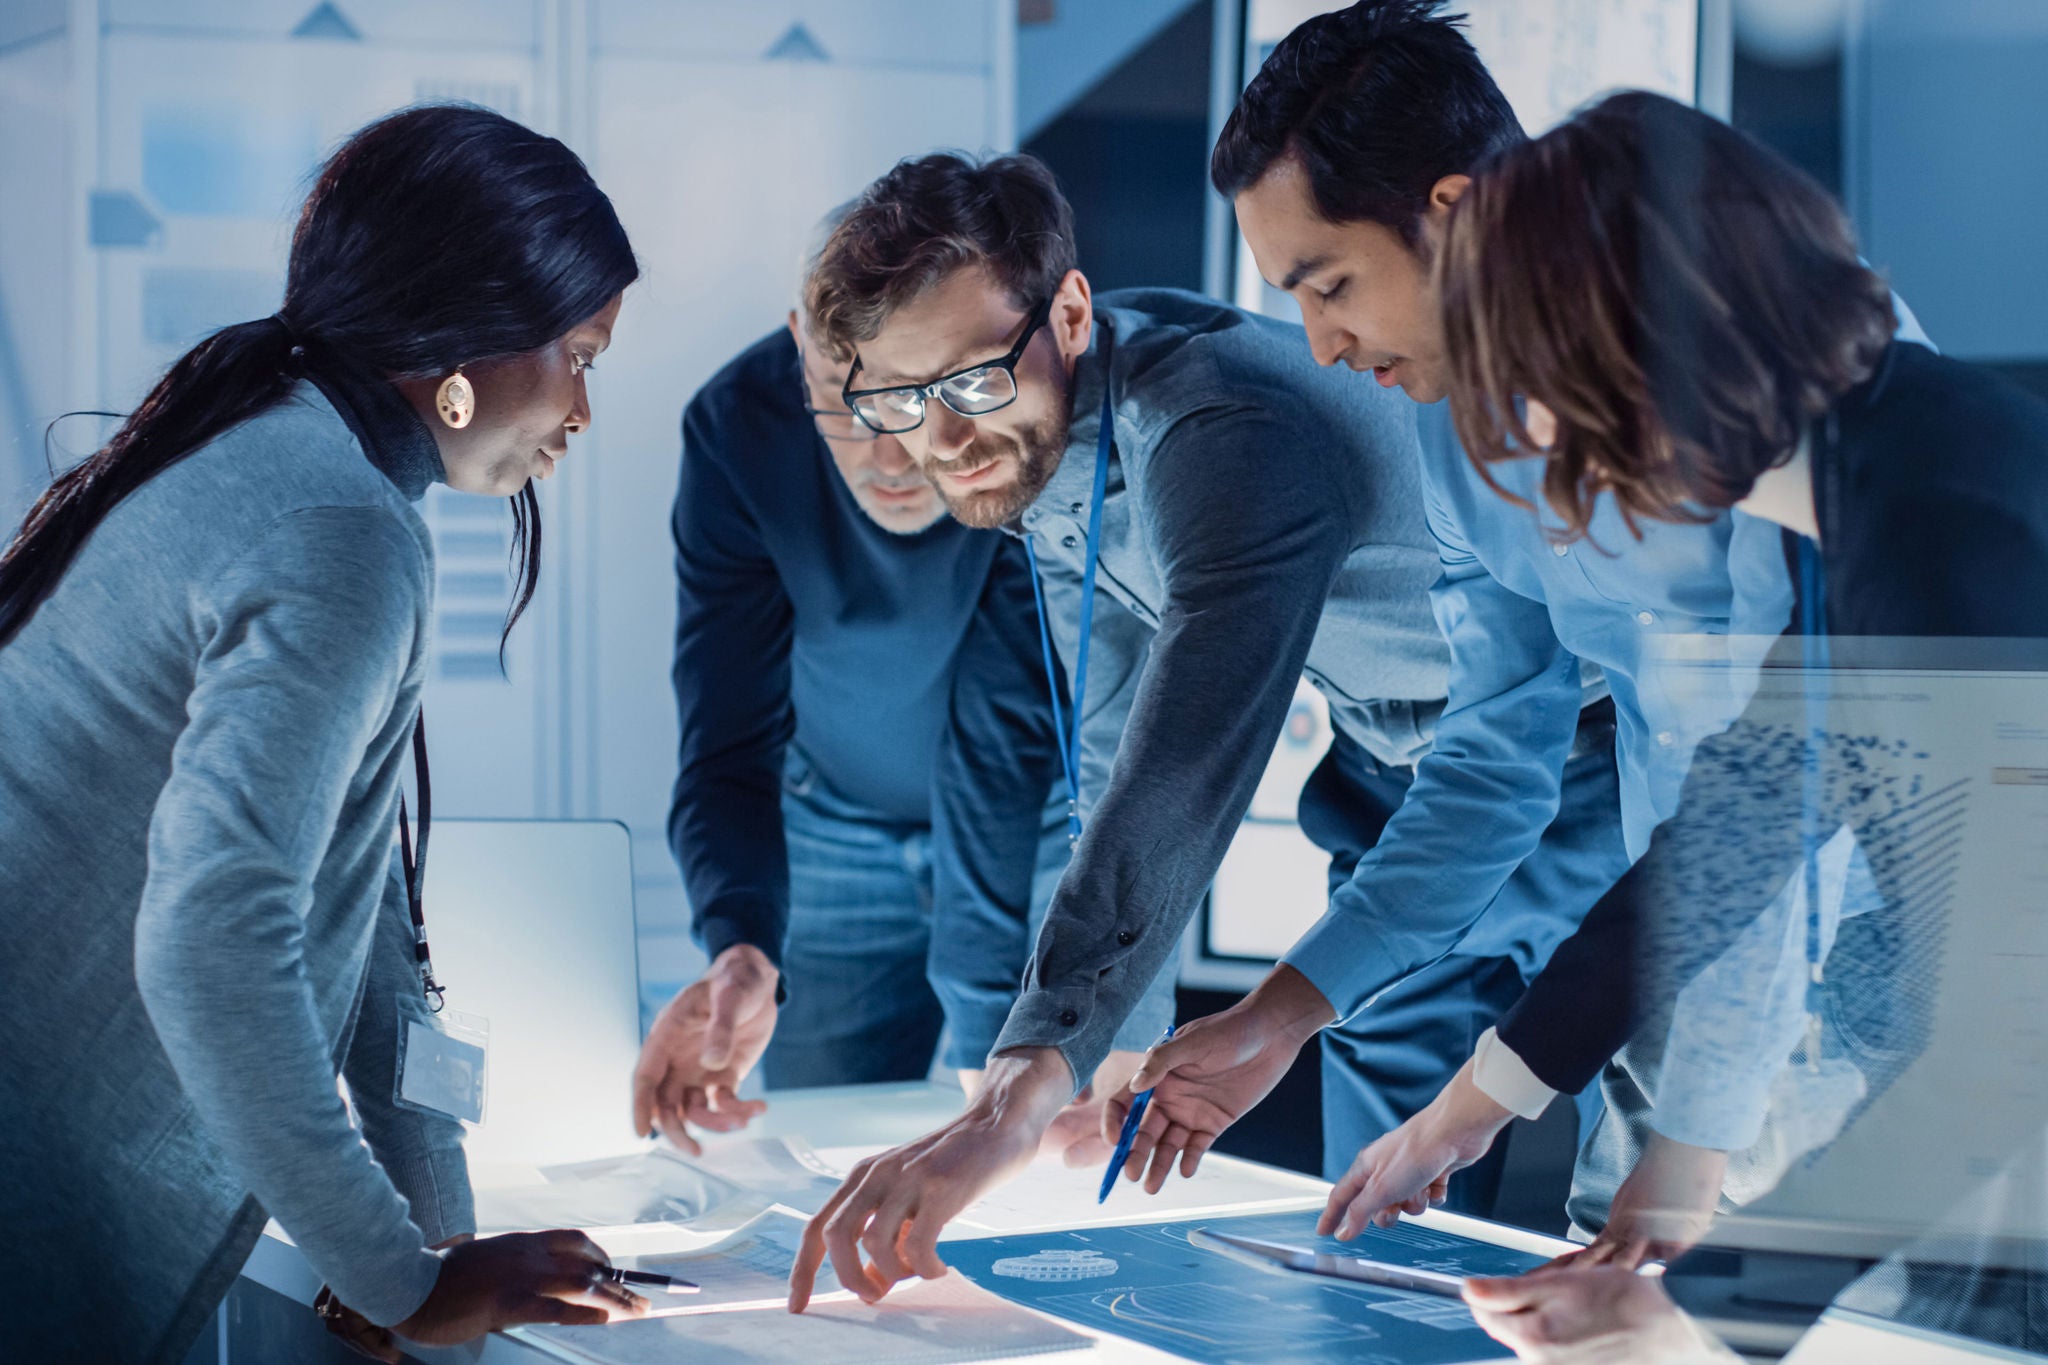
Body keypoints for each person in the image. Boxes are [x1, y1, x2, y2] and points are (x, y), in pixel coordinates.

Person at [1121, 0, 1922, 1247]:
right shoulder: (1447, 430)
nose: (1321, 349)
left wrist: (1676, 1146)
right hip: (1669, 955)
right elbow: (1489, 769)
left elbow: (1789, 785)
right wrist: (1281, 1014)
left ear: (1451, 212)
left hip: (1886, 967)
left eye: (1327, 285)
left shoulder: (1775, 355)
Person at [786, 149, 1625, 1310]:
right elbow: (1112, 738)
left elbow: (1188, 757)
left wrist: (1020, 1085)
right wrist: (1112, 1041)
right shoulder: (1034, 443)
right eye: (896, 397)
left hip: (1590, 768)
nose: (939, 438)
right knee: (1376, 1258)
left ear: (1069, 313)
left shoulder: (1218, 427)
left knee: (1643, 1201)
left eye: (970, 379)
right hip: (1391, 784)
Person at [0, 105, 644, 1362]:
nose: (581, 409)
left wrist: (430, 1239)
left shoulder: (274, 449)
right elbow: (212, 947)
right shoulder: (338, 530)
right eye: (579, 354)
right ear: (467, 347)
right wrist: (398, 1275)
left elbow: (364, 932)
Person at [1424, 87, 2048, 1360]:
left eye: (1536, 385)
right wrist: (1485, 1096)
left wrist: (1693, 1313)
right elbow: (1735, 824)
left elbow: (2003, 1035)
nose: (1539, 443)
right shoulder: (1854, 488)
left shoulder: (1931, 510)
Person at [633, 222, 1178, 1157]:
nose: (892, 457)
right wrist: (741, 943)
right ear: (796, 352)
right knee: (824, 1152)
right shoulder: (736, 428)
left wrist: (989, 1068)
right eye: (846, 414)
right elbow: (726, 738)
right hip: (831, 826)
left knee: (1063, 1141)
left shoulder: (1002, 418)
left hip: (1037, 818)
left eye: (902, 402)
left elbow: (996, 745)